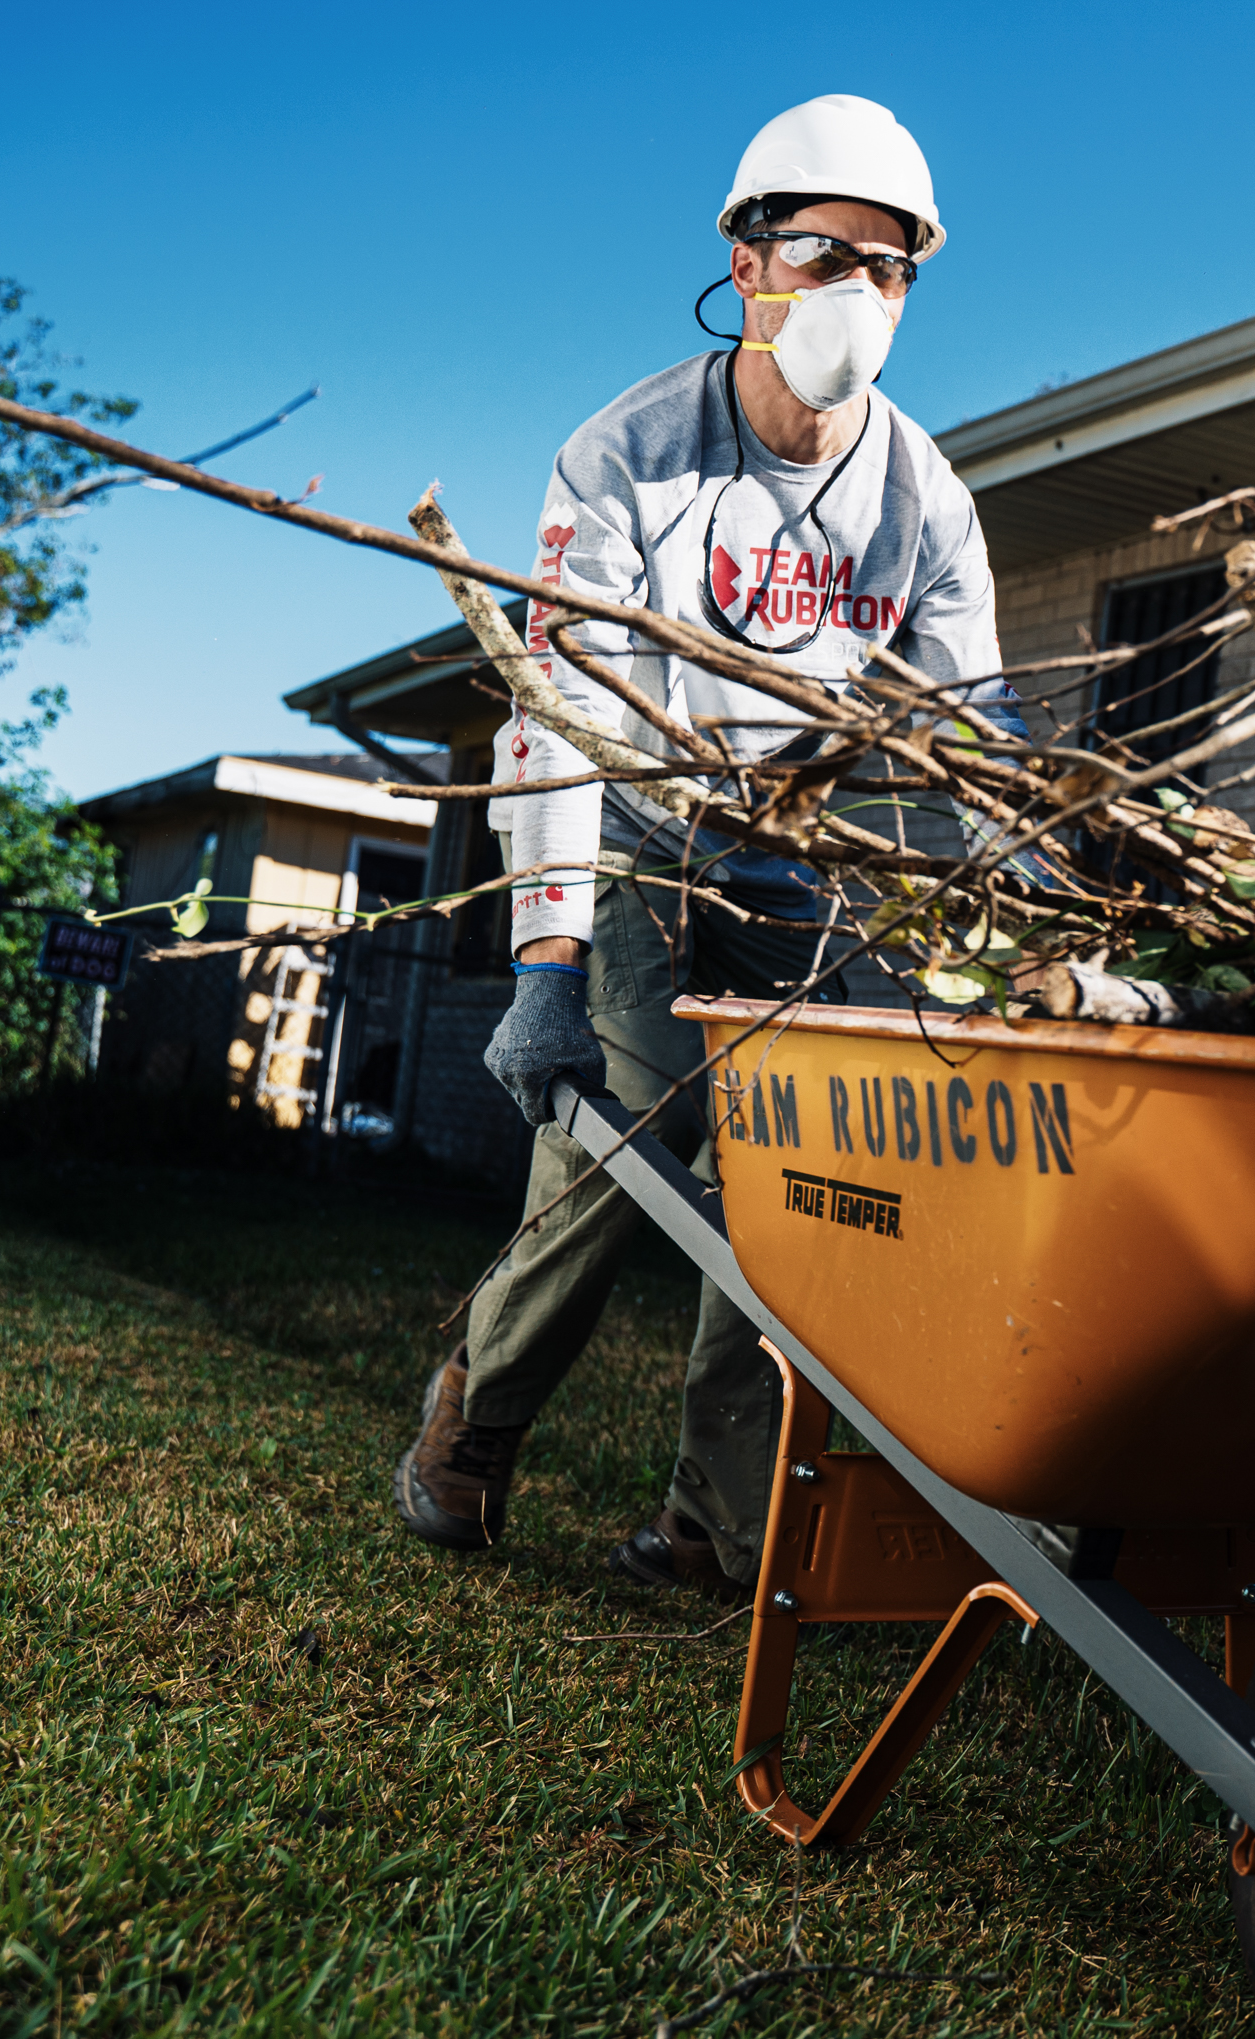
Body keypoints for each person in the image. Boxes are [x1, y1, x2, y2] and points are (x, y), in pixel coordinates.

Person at [392, 94, 1013, 1596]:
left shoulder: (923, 494)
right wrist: (547, 961)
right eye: (823, 255)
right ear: (746, 263)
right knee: (625, 1130)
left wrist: (1017, 911)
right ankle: (477, 1416)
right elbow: (552, 711)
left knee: (799, 1179)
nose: (858, 292)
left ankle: (719, 1518)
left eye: (889, 267)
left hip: (802, 853)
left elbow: (977, 739)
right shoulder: (629, 456)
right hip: (636, 830)